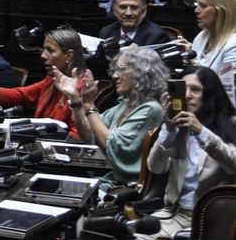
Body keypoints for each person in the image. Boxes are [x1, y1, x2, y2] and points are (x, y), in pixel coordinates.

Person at [147, 66, 236, 239]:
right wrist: (169, 130)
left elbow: (235, 165)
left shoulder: (230, 123)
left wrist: (202, 131)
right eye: (183, 89)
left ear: (208, 94)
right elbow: (155, 167)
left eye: (195, 89)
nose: (187, 95)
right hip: (174, 215)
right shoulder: (176, 126)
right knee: (126, 236)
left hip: (209, 216)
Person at [54, 46, 166, 190]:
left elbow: (113, 145)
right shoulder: (125, 104)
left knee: (63, 188)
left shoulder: (151, 109)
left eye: (121, 69)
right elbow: (89, 134)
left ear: (142, 73)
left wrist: (88, 105)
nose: (114, 76)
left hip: (125, 188)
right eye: (115, 69)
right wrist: (75, 100)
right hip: (107, 179)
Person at [0, 26, 86, 139]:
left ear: (69, 56)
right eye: (43, 50)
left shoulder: (83, 89)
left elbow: (78, 136)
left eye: (50, 50)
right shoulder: (51, 80)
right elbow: (20, 94)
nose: (43, 55)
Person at [179, 0, 236, 74]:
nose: (196, 10)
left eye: (203, 6)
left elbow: (226, 85)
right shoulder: (202, 36)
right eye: (197, 5)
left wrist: (193, 60)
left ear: (220, 11)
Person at [98, 0, 172, 46]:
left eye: (134, 8)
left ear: (143, 11)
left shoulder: (156, 36)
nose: (128, 13)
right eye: (123, 7)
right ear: (114, 11)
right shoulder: (106, 32)